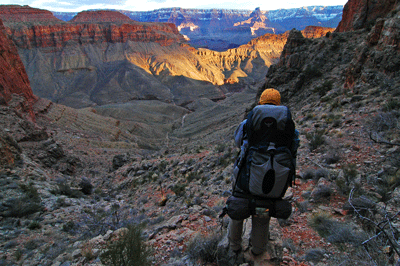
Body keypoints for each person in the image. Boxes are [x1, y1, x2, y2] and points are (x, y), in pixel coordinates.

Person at [228, 88, 297, 257]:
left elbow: (238, 143)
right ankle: (258, 249)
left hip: (246, 179)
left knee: (238, 208)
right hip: (272, 183)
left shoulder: (249, 122)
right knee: (262, 212)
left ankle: (234, 246)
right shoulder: (288, 126)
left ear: (261, 102)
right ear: (278, 103)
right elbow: (294, 149)